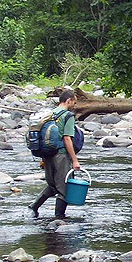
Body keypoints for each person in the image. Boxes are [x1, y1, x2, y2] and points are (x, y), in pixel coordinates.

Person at [28, 89, 80, 219]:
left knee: (52, 185)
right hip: (61, 155)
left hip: (47, 154)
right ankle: (59, 217)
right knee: (64, 188)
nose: (75, 106)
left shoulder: (50, 114)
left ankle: (34, 207)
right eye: (74, 102)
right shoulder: (67, 116)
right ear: (68, 101)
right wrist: (74, 160)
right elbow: (67, 138)